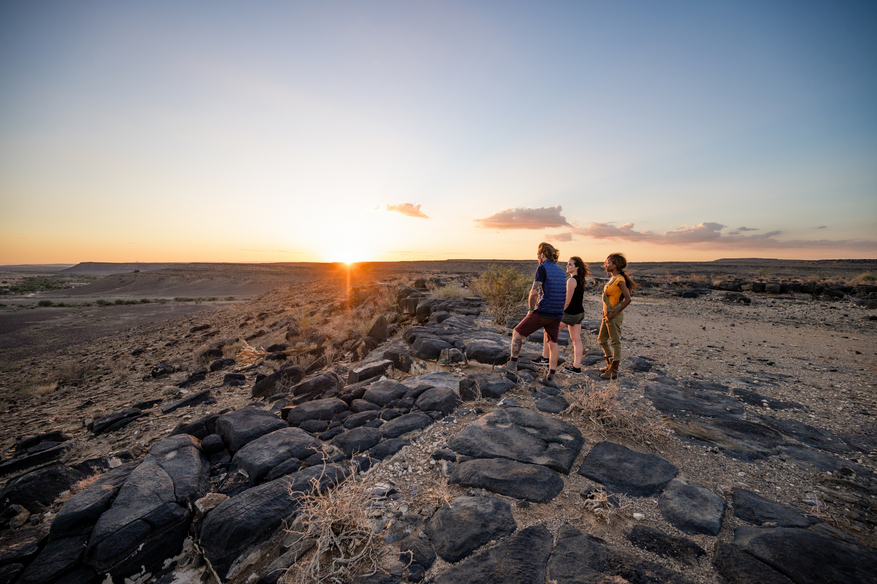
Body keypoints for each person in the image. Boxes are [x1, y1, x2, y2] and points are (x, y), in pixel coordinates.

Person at [496, 242, 567, 387]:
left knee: (517, 332)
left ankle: (512, 364)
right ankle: (551, 378)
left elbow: (534, 292)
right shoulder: (561, 271)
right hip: (557, 313)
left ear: (542, 254)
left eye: (538, 254)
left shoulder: (542, 267)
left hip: (544, 311)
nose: (538, 257)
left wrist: (530, 309)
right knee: (553, 343)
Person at [535, 257, 589, 373]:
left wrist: (558, 312)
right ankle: (576, 367)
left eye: (570, 264)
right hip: (579, 314)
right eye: (567, 264)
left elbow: (567, 301)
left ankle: (545, 358)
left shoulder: (571, 281)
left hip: (569, 314)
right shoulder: (580, 280)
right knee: (576, 340)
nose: (567, 266)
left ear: (577, 267)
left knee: (548, 330)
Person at [597, 252, 635, 379]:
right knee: (601, 340)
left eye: (609, 263)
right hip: (607, 315)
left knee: (615, 342)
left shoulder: (620, 279)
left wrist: (615, 313)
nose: (606, 265)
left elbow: (628, 299)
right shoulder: (612, 279)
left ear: (616, 265)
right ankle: (609, 365)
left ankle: (614, 370)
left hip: (613, 315)